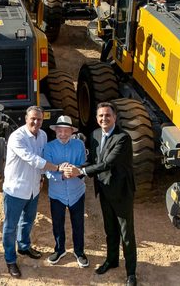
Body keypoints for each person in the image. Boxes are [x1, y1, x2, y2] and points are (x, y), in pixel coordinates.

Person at [64, 102, 137, 286]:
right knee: (110, 230)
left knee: (126, 234)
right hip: (104, 190)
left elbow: (107, 164)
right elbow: (92, 160)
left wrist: (80, 172)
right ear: (97, 119)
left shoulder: (123, 138)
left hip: (121, 193)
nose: (104, 119)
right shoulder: (95, 134)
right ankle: (112, 261)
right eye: (101, 116)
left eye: (107, 115)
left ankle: (131, 274)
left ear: (115, 117)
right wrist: (76, 166)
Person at [2, 106, 61, 278]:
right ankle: (10, 259)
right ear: (26, 119)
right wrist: (57, 168)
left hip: (33, 189)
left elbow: (43, 156)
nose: (36, 122)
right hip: (16, 190)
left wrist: (42, 178)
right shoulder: (17, 138)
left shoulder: (42, 135)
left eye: (39, 119)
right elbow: (34, 160)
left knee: (28, 221)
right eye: (33, 119)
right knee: (10, 227)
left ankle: (24, 247)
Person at [43, 115, 88, 268]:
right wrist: (61, 175)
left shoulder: (79, 145)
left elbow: (83, 165)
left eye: (66, 131)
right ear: (55, 131)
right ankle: (59, 249)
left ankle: (79, 251)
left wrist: (75, 171)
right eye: (59, 131)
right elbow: (47, 170)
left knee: (78, 224)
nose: (63, 134)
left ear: (71, 131)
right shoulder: (49, 147)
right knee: (57, 223)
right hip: (57, 194)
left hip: (77, 192)